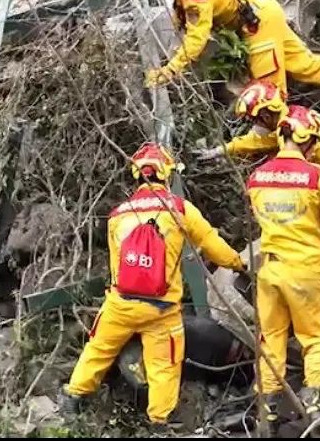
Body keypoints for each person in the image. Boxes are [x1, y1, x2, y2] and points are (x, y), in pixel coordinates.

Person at [59, 143, 245, 428]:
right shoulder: (180, 209)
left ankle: (73, 398)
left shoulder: (118, 214)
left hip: (121, 303)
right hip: (161, 310)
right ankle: (158, 422)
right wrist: (238, 264)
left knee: (98, 349)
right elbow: (212, 246)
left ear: (136, 176)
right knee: (164, 365)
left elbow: (115, 266)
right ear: (167, 175)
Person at [195, 79, 320, 330]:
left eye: (257, 119)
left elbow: (263, 144)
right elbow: (255, 141)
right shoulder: (290, 123)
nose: (255, 126)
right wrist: (222, 150)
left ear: (267, 113)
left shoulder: (294, 127)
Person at [246, 106, 320, 423]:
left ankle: (268, 403)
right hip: (306, 268)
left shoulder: (257, 177)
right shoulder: (318, 176)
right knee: (316, 335)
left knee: (271, 336)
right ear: (307, 141)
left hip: (270, 270)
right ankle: (315, 398)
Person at [130, 0, 320, 96]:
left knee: (268, 94)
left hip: (258, 23)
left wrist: (170, 70)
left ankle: (280, 146)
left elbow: (195, 39)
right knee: (303, 66)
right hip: (265, 12)